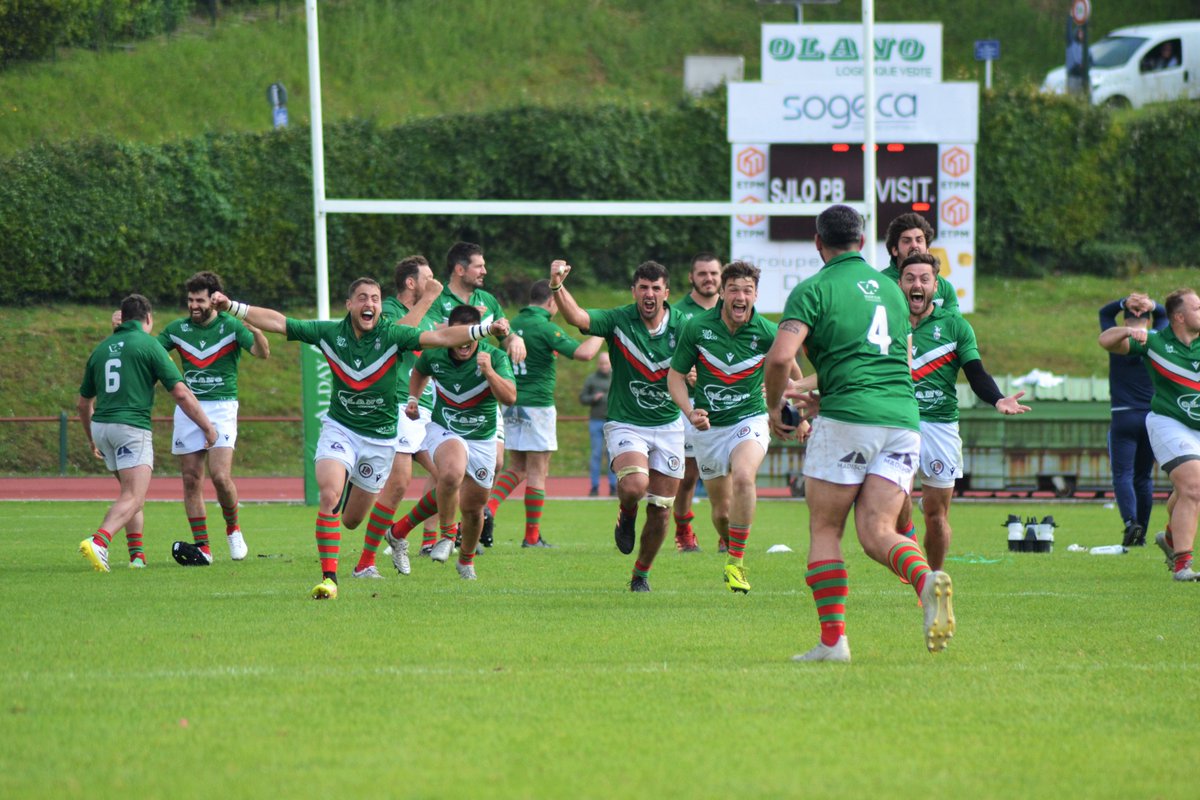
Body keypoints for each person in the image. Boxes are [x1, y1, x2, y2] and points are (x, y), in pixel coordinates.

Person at [209, 278, 507, 599]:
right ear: (349, 304)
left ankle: (370, 542)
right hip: (341, 428)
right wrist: (232, 307)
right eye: (362, 298)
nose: (370, 304)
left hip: (379, 438)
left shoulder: (393, 334)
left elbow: (441, 337)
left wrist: (483, 330)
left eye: (375, 298)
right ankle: (329, 579)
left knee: (351, 520)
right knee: (329, 495)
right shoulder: (330, 333)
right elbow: (281, 323)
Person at [764, 204, 956, 663]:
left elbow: (780, 358)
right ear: (863, 242)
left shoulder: (813, 289)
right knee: (877, 531)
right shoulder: (892, 291)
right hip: (902, 420)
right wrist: (828, 394)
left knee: (826, 528)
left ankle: (834, 642)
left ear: (818, 242)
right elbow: (893, 361)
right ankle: (925, 579)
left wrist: (774, 406)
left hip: (849, 420)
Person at [668, 260, 804, 593]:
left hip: (750, 418)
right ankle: (732, 546)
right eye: (733, 290)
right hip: (710, 428)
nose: (740, 297)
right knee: (721, 513)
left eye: (747, 290)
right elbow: (675, 376)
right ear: (723, 293)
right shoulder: (697, 328)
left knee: (744, 476)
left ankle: (736, 563)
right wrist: (690, 412)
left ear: (755, 295)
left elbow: (794, 375)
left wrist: (797, 414)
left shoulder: (769, 332)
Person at [553, 258, 684, 592]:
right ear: (634, 291)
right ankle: (627, 512)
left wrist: (695, 376)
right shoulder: (617, 320)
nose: (649, 294)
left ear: (666, 292)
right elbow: (578, 317)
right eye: (643, 287)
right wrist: (557, 285)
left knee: (661, 510)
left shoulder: (684, 326)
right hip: (626, 423)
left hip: (669, 425)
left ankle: (641, 574)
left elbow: (705, 360)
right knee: (635, 485)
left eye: (656, 288)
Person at [894, 253, 1030, 570]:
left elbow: (976, 373)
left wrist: (998, 399)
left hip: (940, 427)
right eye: (910, 278)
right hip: (898, 423)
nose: (917, 285)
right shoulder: (887, 324)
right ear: (900, 284)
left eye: (924, 279)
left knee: (936, 516)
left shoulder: (955, 327)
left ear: (935, 285)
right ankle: (908, 538)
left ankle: (933, 578)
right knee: (896, 500)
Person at [78, 294, 217, 572]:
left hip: (102, 427)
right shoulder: (149, 345)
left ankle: (137, 557)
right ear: (149, 318)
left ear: (122, 317)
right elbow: (181, 393)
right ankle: (99, 541)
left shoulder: (101, 349)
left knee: (129, 494)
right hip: (130, 427)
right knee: (134, 497)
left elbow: (83, 404)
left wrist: (92, 439)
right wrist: (207, 427)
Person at [154, 271, 269, 565]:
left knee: (220, 476)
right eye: (190, 300)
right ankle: (203, 547)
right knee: (191, 479)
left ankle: (233, 529)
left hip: (222, 406)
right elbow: (150, 354)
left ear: (213, 301)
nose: (194, 305)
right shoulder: (177, 329)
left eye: (200, 300)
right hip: (189, 407)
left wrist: (257, 332)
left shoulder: (231, 325)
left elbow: (262, 353)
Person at [484, 280, 603, 547]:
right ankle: (531, 537)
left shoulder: (512, 324)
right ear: (551, 301)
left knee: (517, 466)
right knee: (538, 470)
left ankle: (488, 508)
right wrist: (603, 332)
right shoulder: (546, 328)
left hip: (511, 402)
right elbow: (584, 353)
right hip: (537, 406)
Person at [407, 304, 516, 579]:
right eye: (460, 335)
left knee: (474, 508)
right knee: (451, 472)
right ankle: (446, 535)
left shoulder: (494, 356)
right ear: (451, 333)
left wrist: (489, 372)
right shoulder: (435, 354)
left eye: (471, 335)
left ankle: (466, 560)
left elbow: (510, 397)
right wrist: (413, 399)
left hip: (481, 435)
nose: (465, 342)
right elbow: (419, 371)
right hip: (444, 428)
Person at [351, 255, 444, 578]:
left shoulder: (430, 317)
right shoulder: (388, 309)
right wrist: (429, 298)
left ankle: (399, 531)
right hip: (397, 404)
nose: (434, 283)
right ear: (411, 282)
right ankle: (365, 562)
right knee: (400, 482)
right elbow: (395, 336)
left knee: (452, 479)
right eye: (428, 278)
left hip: (427, 409)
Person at [1100, 288, 1200, 582]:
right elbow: (1105, 340)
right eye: (1197, 308)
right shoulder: (1155, 341)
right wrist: (1129, 331)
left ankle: (1169, 538)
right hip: (1169, 422)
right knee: (1193, 487)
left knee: (1187, 489)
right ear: (1179, 317)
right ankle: (1182, 565)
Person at [1099, 292, 1167, 547]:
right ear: (1148, 321)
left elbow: (1104, 313)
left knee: (1123, 474)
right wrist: (1152, 305)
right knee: (1143, 477)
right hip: (1151, 416)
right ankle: (1142, 534)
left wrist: (1123, 302)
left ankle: (1130, 523)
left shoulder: (1118, 340)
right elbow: (1164, 314)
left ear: (1125, 321)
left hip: (1123, 415)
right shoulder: (1158, 339)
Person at [670, 252, 722, 552]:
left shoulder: (732, 308)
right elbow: (666, 356)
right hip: (690, 405)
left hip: (727, 404)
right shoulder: (678, 313)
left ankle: (727, 531)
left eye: (714, 273)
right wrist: (683, 371)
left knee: (729, 472)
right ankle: (684, 532)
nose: (709, 279)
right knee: (688, 474)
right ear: (691, 277)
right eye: (702, 273)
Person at [879, 213, 959, 316]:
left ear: (927, 248)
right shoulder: (881, 283)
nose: (914, 245)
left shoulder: (944, 287)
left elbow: (955, 323)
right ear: (895, 250)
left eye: (919, 240)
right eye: (907, 241)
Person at [581, 353, 618, 497]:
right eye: (601, 363)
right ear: (598, 364)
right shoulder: (591, 379)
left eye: (606, 363)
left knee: (612, 455)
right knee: (596, 454)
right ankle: (594, 487)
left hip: (612, 422)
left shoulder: (616, 378)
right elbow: (582, 398)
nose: (604, 366)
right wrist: (593, 398)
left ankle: (613, 486)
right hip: (596, 421)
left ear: (610, 364)